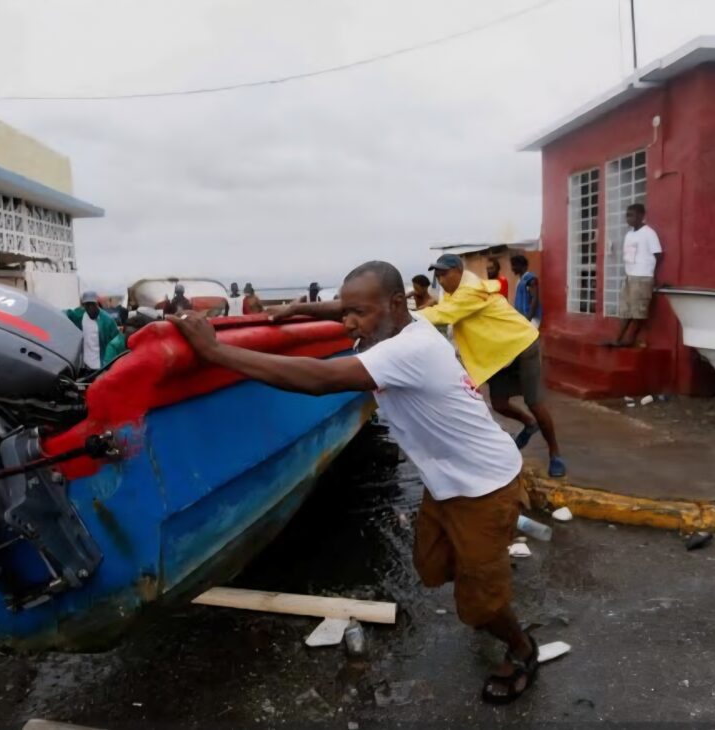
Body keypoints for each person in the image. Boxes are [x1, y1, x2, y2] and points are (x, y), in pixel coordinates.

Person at [174, 261, 540, 705]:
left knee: (480, 604)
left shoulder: (408, 350)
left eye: (359, 315)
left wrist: (216, 353)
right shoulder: (408, 324)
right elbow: (347, 307)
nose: (349, 323)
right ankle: (485, 585)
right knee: (430, 568)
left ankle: (521, 649)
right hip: (447, 482)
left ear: (395, 304)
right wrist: (296, 309)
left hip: (485, 486)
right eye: (346, 313)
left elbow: (320, 380)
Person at [420, 254, 566, 478]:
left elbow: (441, 315)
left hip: (521, 343)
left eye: (444, 274)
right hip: (499, 352)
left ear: (459, 271)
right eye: (437, 276)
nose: (441, 280)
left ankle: (555, 453)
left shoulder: (470, 290)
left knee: (534, 403)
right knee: (498, 403)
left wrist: (404, 316)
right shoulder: (452, 295)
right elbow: (442, 313)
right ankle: (528, 423)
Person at [612, 203, 662, 347]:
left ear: (641, 216)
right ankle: (618, 339)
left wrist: (650, 272)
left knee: (639, 311)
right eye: (627, 215)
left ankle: (630, 339)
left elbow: (658, 254)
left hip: (642, 278)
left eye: (631, 215)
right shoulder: (629, 235)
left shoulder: (648, 233)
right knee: (626, 310)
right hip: (630, 277)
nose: (628, 218)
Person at [65, 291, 120, 373]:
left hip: (102, 366)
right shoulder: (81, 315)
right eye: (87, 305)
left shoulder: (108, 321)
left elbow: (116, 343)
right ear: (83, 306)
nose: (90, 307)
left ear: (97, 304)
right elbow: (67, 314)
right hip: (85, 365)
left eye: (92, 304)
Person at [511, 255, 541, 329]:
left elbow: (535, 299)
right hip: (522, 318)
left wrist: (528, 318)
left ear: (522, 266)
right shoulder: (519, 280)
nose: (512, 268)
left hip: (531, 318)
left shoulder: (530, 279)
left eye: (514, 265)